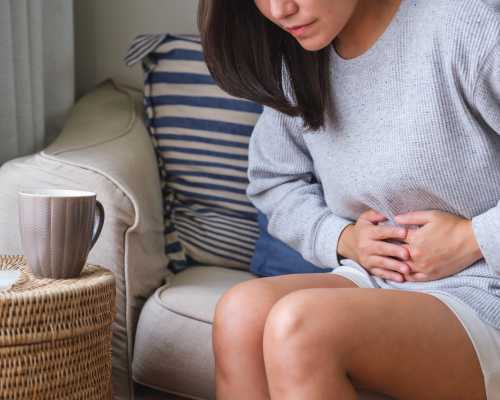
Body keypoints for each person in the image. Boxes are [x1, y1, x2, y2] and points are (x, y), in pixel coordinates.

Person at [198, 0, 500, 399]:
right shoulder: (302, 60)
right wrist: (341, 239)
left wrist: (472, 237)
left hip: (488, 287)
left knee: (301, 325)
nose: (278, 9)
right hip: (382, 281)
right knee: (242, 313)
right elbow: (274, 181)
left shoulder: (465, 24)